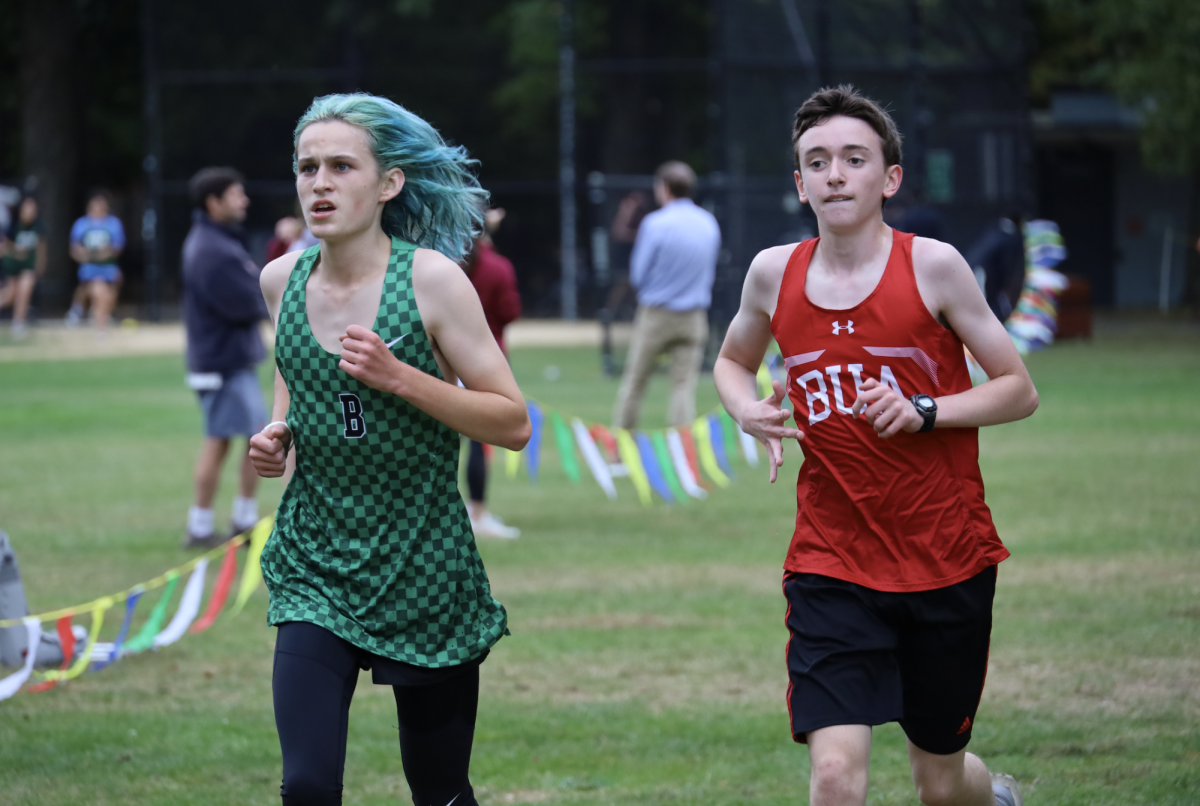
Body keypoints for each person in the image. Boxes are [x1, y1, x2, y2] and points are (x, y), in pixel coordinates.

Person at [713, 85, 1037, 806]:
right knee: (834, 775)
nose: (835, 173)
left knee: (941, 782)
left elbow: (1018, 388)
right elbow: (732, 360)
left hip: (945, 558)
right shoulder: (773, 273)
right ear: (800, 184)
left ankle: (998, 797)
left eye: (854, 159)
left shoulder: (936, 267)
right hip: (832, 560)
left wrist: (925, 409)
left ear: (888, 178)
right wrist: (746, 409)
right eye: (818, 161)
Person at [247, 92, 531, 806]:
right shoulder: (280, 279)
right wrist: (277, 434)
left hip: (423, 562)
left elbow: (511, 421)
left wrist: (400, 378)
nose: (319, 183)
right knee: (308, 786)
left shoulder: (431, 280)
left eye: (342, 166)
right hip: (317, 559)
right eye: (307, 167)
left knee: (439, 792)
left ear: (388, 183)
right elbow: (294, 379)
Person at [180, 167, 270, 549]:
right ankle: (212, 526)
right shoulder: (212, 249)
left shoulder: (216, 241)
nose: (244, 200)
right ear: (213, 203)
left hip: (224, 362)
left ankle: (232, 521)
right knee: (251, 440)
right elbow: (246, 302)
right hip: (223, 366)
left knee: (238, 440)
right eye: (236, 195)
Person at [611, 161, 720, 430]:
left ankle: (621, 449)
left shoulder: (655, 224)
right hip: (694, 315)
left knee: (635, 382)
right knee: (683, 388)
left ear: (665, 188)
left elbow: (638, 273)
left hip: (656, 314)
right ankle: (680, 453)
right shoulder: (708, 222)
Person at [463, 207, 523, 539]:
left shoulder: (441, 265)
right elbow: (510, 312)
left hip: (440, 362)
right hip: (486, 365)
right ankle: (478, 510)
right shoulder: (497, 267)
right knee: (477, 443)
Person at [67, 190, 125, 331]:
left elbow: (116, 249)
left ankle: (103, 313)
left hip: (108, 266)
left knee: (116, 279)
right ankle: (79, 311)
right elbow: (75, 249)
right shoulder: (81, 224)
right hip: (88, 266)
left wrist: (98, 254)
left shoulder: (113, 224)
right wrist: (93, 255)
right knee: (95, 286)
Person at [0, 196, 47, 339]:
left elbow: (41, 248)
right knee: (10, 295)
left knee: (25, 288)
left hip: (28, 266)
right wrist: (16, 251)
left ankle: (18, 323)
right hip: (12, 265)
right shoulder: (13, 226)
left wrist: (41, 265)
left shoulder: (38, 227)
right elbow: (3, 247)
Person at [966, 213, 1026, 323]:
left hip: (977, 272)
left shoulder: (995, 231)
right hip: (981, 274)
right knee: (982, 308)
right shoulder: (1009, 237)